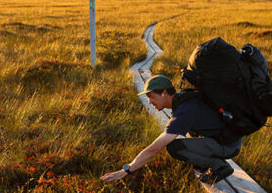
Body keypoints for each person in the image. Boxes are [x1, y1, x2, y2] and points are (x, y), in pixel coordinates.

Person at [100, 74, 240, 184]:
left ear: (165, 93)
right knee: (184, 138)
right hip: (226, 139)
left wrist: (126, 170)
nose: (149, 102)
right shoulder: (183, 99)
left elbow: (154, 149)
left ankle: (219, 166)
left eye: (151, 96)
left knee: (174, 147)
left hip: (228, 146)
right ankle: (206, 163)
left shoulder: (184, 111)